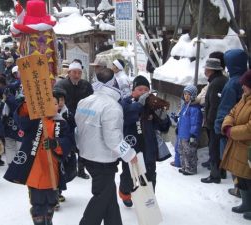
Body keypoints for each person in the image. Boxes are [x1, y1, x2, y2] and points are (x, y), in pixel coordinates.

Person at [75, 68, 137, 225]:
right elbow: (113, 139)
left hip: (87, 155)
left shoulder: (84, 101)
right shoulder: (112, 107)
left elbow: (78, 128)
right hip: (103, 160)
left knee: (108, 197)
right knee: (101, 197)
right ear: (113, 82)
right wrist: (129, 154)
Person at [4, 95, 75, 225]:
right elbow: (21, 118)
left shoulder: (61, 123)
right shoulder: (34, 120)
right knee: (38, 202)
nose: (53, 106)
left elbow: (69, 141)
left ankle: (48, 219)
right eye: (49, 103)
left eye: (55, 103)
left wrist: (56, 144)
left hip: (52, 169)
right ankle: (39, 221)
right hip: (35, 168)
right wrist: (28, 103)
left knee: (51, 201)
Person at [118, 75, 171, 207]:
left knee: (150, 177)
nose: (143, 92)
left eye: (145, 89)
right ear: (133, 91)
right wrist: (139, 105)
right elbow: (126, 117)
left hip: (149, 149)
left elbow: (163, 128)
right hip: (131, 149)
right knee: (128, 177)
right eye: (139, 89)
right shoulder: (126, 103)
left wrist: (163, 117)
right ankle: (125, 193)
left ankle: (148, 202)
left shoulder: (152, 104)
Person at [214, 49, 248, 196]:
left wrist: (219, 126)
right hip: (242, 129)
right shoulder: (246, 78)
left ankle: (239, 189)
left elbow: (226, 108)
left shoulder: (232, 84)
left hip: (232, 129)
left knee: (234, 160)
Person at [220, 70, 251, 221]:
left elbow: (250, 128)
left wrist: (232, 131)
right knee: (242, 176)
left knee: (249, 177)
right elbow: (231, 112)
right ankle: (246, 203)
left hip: (247, 147)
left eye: (245, 84)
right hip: (239, 145)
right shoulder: (245, 98)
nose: (243, 87)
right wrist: (227, 125)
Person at [55, 61, 93, 179]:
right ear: (69, 72)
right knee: (68, 144)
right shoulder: (61, 85)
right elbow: (56, 101)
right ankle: (66, 168)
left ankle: (81, 169)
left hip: (83, 118)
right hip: (66, 118)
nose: (77, 75)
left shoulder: (86, 85)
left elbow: (92, 101)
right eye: (74, 72)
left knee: (82, 144)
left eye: (79, 73)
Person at [201, 58, 228, 184]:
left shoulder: (216, 83)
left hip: (215, 122)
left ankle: (214, 175)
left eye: (206, 68)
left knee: (214, 148)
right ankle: (221, 171)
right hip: (221, 121)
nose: (204, 70)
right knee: (219, 147)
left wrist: (210, 122)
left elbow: (214, 105)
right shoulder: (222, 80)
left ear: (211, 69)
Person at [177, 85, 203, 175]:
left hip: (189, 135)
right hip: (183, 134)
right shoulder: (185, 105)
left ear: (193, 95)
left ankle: (191, 169)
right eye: (185, 94)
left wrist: (193, 135)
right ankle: (185, 167)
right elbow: (182, 119)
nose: (186, 96)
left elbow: (195, 123)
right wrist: (178, 128)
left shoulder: (195, 108)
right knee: (183, 152)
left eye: (188, 94)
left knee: (190, 152)